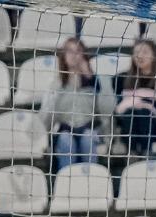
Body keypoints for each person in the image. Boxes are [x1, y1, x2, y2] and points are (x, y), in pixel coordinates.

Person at [40, 37, 111, 172]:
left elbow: (107, 110)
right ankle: (66, 186)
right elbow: (45, 121)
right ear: (63, 56)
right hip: (65, 130)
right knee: (66, 140)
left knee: (87, 139)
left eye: (78, 51)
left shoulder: (95, 82)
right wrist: (58, 89)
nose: (74, 55)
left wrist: (91, 79)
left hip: (90, 129)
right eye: (69, 51)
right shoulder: (55, 83)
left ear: (84, 56)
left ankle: (92, 183)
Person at [113, 38, 156, 156]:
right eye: (136, 52)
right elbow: (118, 110)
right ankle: (131, 155)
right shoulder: (122, 79)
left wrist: (145, 104)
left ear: (154, 55)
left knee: (143, 113)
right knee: (130, 113)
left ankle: (146, 154)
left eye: (145, 52)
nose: (140, 56)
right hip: (130, 127)